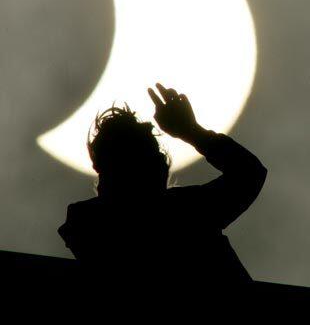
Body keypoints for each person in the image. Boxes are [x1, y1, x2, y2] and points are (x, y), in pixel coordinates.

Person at [58, 82, 267, 300]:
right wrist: (191, 131)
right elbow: (249, 173)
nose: (158, 158)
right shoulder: (187, 212)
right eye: (145, 153)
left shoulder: (88, 221)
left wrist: (191, 131)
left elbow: (249, 173)